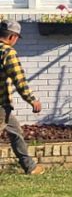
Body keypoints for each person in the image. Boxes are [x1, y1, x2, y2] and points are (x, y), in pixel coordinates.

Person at [1, 19, 44, 176]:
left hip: (4, 107)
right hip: (0, 104)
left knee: (15, 132)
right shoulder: (8, 52)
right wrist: (32, 100)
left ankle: (29, 167)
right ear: (12, 37)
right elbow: (19, 80)